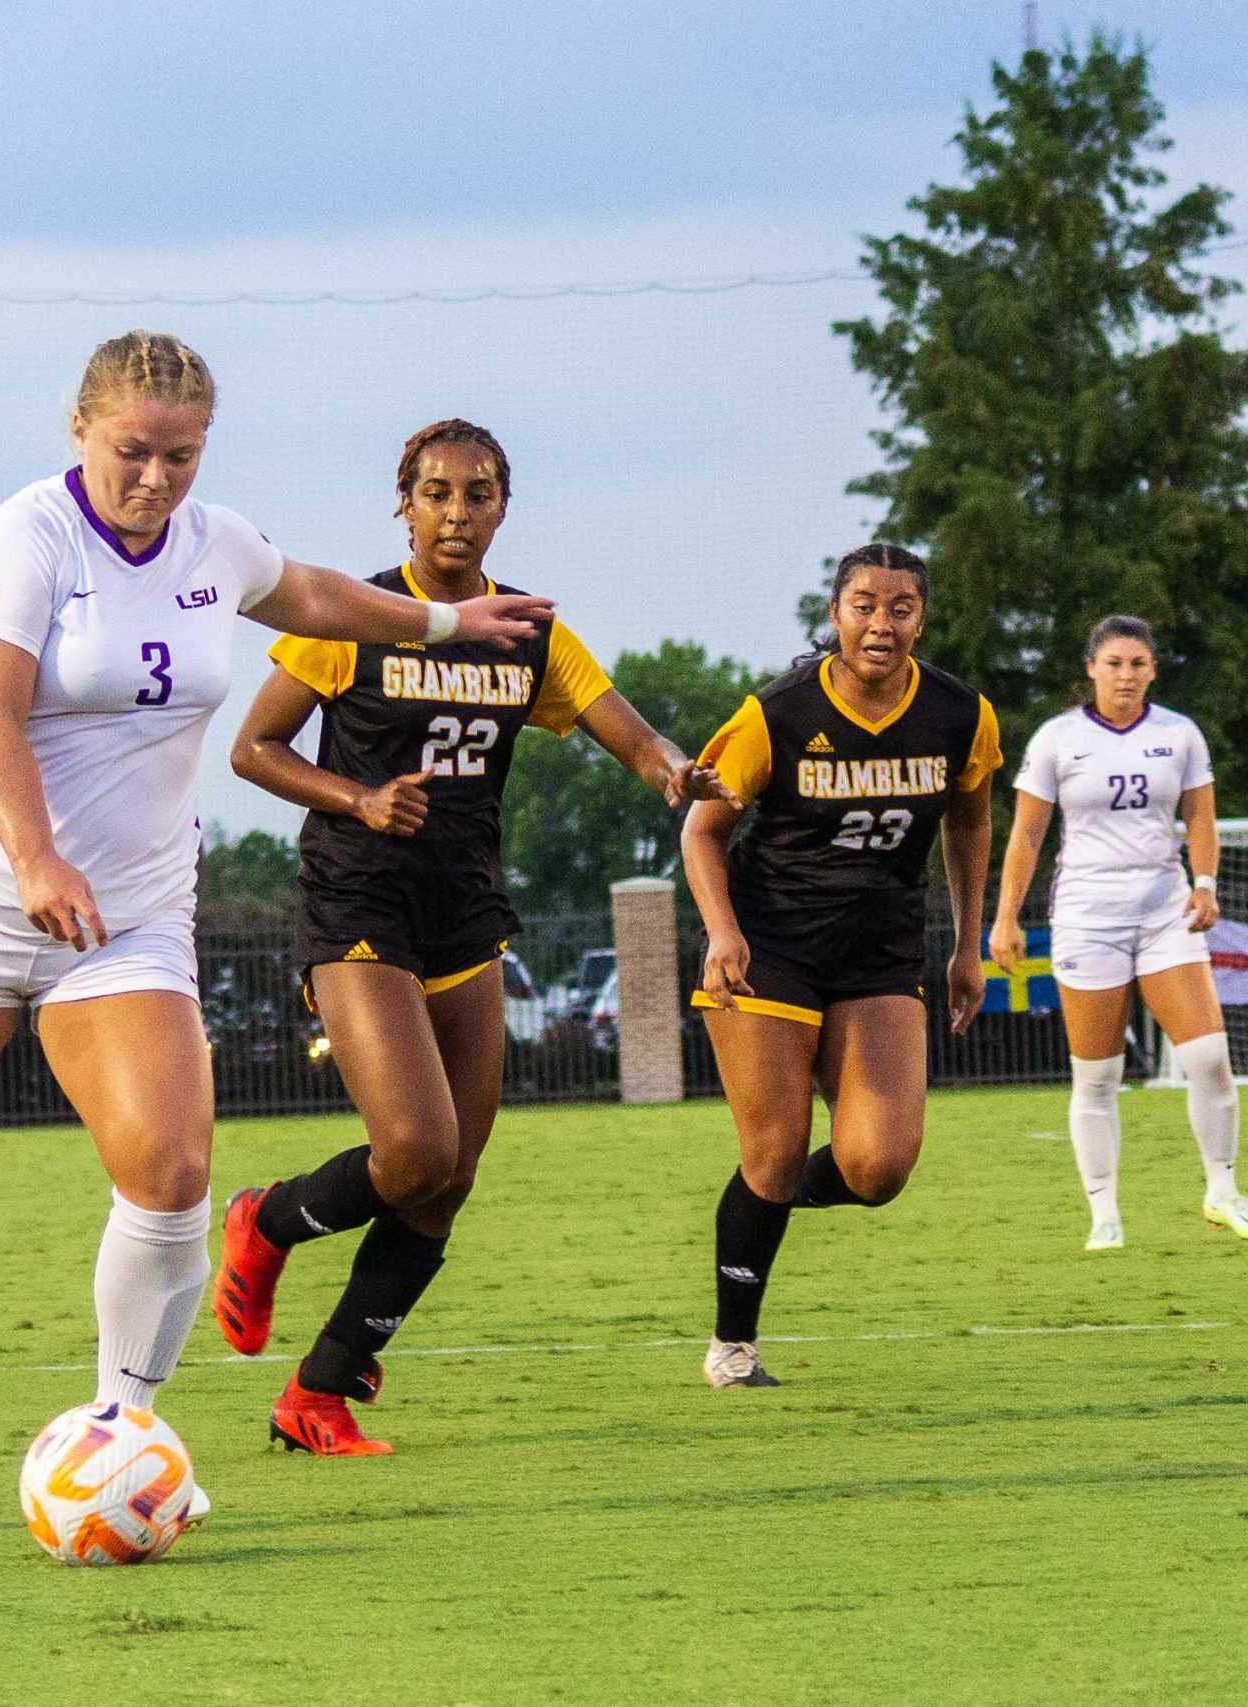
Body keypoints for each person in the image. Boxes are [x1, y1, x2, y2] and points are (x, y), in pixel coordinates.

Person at [0, 330, 553, 1541]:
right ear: (80, 432)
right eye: (133, 453)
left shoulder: (213, 542)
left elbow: (309, 597)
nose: (156, 479)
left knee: (172, 1170)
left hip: (130, 912)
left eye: (180, 457)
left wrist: (449, 627)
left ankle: (123, 1434)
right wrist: (35, 857)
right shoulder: (19, 542)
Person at [215, 418, 727, 1455]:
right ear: (401, 501)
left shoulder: (528, 630)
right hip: (358, 897)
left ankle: (317, 1395)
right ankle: (263, 1222)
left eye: (479, 493)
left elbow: (628, 732)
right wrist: (358, 799)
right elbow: (253, 748)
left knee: (451, 1176)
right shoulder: (350, 614)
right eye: (437, 492)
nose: (457, 511)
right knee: (414, 1148)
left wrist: (674, 770)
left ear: (504, 505)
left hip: (464, 907)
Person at [680, 543, 999, 1390]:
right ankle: (732, 1349)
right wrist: (721, 932)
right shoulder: (776, 713)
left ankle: (761, 1196)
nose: (881, 623)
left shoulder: (960, 713)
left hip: (880, 954)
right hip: (768, 950)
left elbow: (969, 820)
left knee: (878, 1167)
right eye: (864, 604)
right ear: (835, 615)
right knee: (776, 1151)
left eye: (900, 608)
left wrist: (968, 944)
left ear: (921, 619)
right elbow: (701, 830)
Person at [989, 614, 1248, 1250]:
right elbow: (1027, 834)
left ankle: (1223, 1192)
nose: (1126, 675)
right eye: (1114, 663)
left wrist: (1205, 883)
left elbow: (1200, 816)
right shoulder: (1057, 739)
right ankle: (1105, 1214)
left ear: (1152, 670)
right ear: (1091, 668)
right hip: (1087, 919)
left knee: (1208, 1058)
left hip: (1164, 913)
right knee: (1096, 1076)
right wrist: (1006, 917)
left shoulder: (1179, 734)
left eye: (1138, 664)